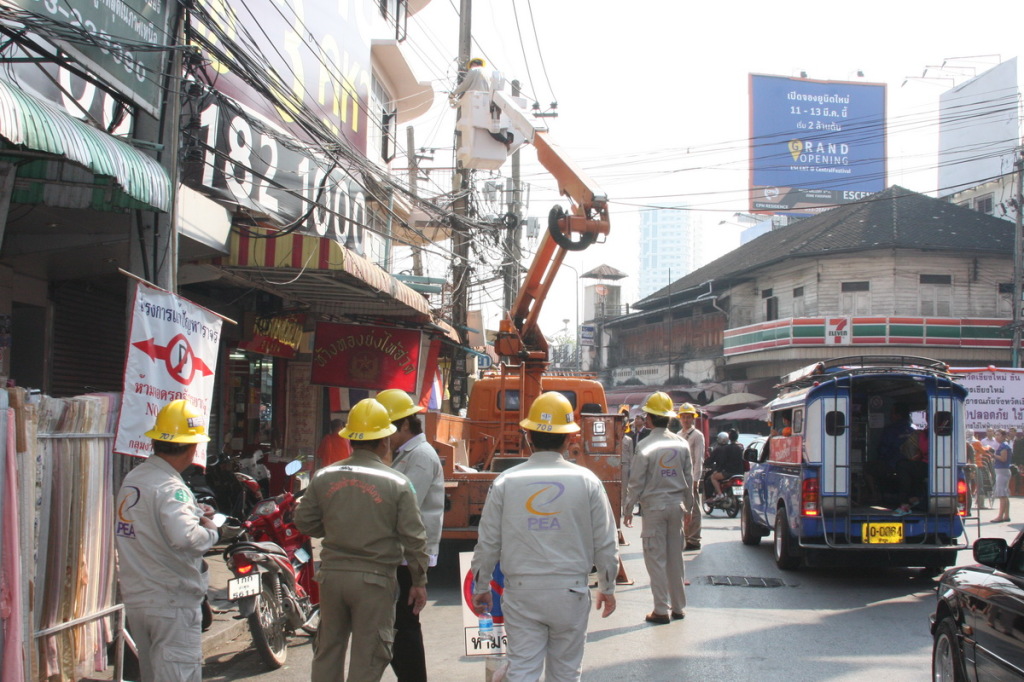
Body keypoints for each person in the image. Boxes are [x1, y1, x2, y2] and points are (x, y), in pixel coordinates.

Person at [470, 392, 618, 682]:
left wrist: (481, 585)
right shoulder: (588, 481)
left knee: (522, 671)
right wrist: (608, 586)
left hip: (522, 592)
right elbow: (605, 542)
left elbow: (487, 542)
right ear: (568, 439)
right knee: (565, 674)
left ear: (528, 436)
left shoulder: (505, 481)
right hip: (571, 591)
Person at [294, 398, 429, 682]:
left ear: (351, 440)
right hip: (375, 579)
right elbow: (414, 538)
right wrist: (418, 581)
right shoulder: (397, 483)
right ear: (385, 440)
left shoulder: (324, 475)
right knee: (369, 653)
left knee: (328, 649)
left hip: (332, 577)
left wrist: (335, 527)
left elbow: (304, 520)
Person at [114, 400, 220, 682]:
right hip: (171, 601)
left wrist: (194, 511)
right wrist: (211, 531)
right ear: (191, 448)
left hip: (139, 598)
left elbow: (150, 523)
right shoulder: (171, 487)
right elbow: (187, 537)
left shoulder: (135, 478)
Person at [376, 388, 445, 682]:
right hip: (404, 552)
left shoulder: (419, 456)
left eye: (389, 428)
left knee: (404, 626)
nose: (385, 436)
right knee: (400, 624)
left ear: (405, 425)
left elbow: (405, 508)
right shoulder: (407, 453)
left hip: (409, 554)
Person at [623, 391, 693, 625]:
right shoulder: (681, 443)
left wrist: (628, 508)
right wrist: (690, 509)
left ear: (650, 419)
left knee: (656, 559)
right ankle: (679, 607)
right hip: (677, 506)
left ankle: (660, 610)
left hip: (654, 509)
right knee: (676, 558)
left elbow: (636, 481)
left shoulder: (644, 445)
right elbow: (689, 479)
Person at [678, 404, 706, 550]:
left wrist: (696, 479)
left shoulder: (697, 436)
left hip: (691, 477)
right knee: (682, 509)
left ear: (693, 418)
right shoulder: (678, 435)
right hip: (679, 478)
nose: (686, 419)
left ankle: (694, 539)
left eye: (688, 417)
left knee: (693, 509)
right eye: (683, 417)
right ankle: (686, 537)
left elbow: (698, 458)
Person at [708, 429, 744, 500]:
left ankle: (720, 494)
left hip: (728, 473)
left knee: (713, 477)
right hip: (740, 472)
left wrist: (717, 471)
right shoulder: (741, 447)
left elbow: (722, 462)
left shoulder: (726, 448)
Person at [991, 429, 1012, 522]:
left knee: (1002, 495)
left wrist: (993, 455)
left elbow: (1003, 459)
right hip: (1002, 471)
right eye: (996, 435)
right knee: (1004, 494)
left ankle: (1000, 516)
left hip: (1002, 471)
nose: (996, 437)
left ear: (1004, 436)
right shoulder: (1004, 445)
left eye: (999, 435)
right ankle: (1006, 515)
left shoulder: (1004, 446)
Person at [620, 410, 635, 516]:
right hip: (615, 465)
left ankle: (625, 510)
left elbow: (631, 455)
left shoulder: (628, 440)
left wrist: (631, 468)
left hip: (625, 465)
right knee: (616, 489)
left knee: (625, 489)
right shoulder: (614, 440)